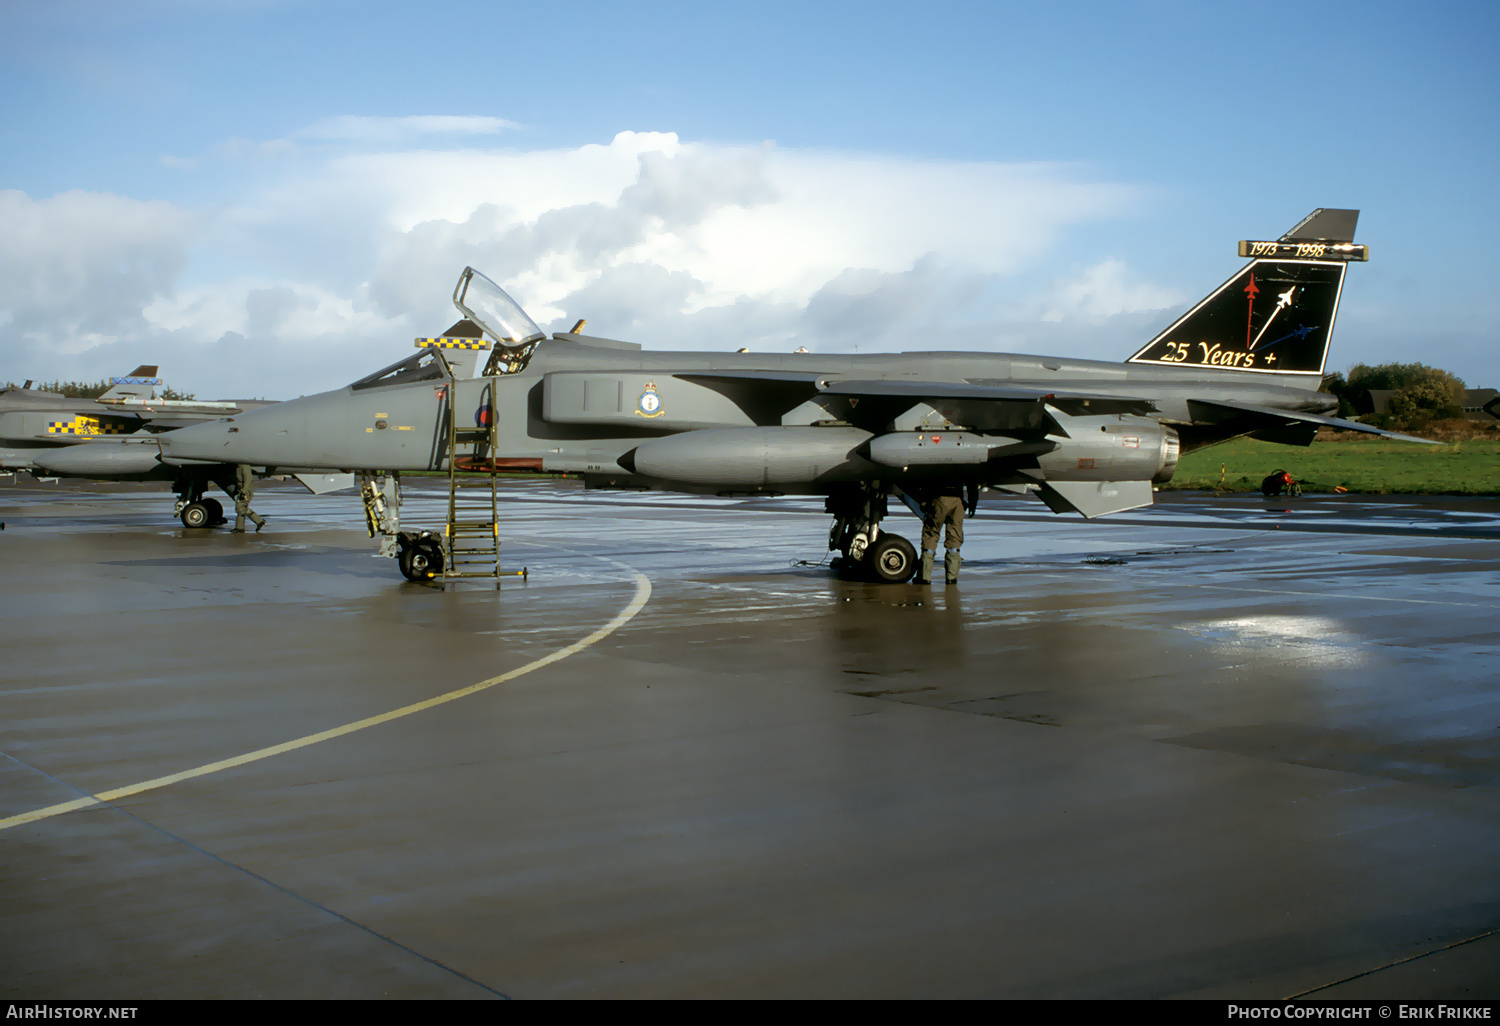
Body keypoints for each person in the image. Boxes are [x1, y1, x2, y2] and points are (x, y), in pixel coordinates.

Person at [919, 482, 966, 585]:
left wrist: (923, 501)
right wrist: (972, 501)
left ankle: (925, 577)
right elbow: (971, 479)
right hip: (958, 499)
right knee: (954, 537)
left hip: (939, 497)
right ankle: (951, 577)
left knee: (931, 534)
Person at [233, 463, 267, 533]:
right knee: (240, 508)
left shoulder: (244, 466)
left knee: (240, 508)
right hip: (242, 490)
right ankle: (239, 528)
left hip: (246, 491)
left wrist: (244, 491)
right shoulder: (239, 466)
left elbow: (248, 479)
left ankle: (259, 521)